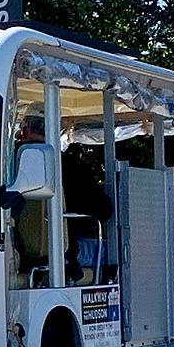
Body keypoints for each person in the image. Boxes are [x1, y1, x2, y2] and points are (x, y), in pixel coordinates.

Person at [14, 103, 113, 280]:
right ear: (56, 131)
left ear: (24, 129)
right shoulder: (71, 166)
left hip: (18, 249)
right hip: (66, 252)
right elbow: (105, 211)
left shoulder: (7, 162)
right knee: (115, 251)